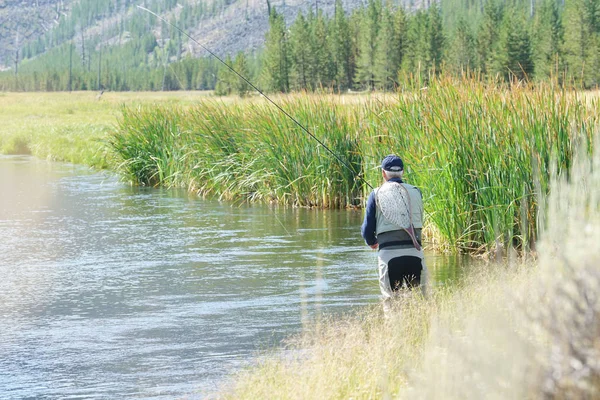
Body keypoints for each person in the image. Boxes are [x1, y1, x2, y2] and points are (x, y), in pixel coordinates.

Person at [361, 155, 427, 307]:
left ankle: (394, 329)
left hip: (389, 256)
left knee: (391, 303)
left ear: (383, 173)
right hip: (415, 253)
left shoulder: (375, 194)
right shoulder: (417, 192)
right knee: (420, 303)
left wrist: (371, 242)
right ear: (402, 172)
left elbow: (367, 230)